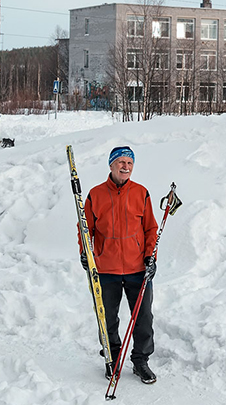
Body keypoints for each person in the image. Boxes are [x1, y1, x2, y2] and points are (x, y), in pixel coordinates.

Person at [79, 145, 159, 384]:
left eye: (130, 163)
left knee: (143, 317)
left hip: (137, 268)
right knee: (107, 318)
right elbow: (85, 229)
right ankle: (112, 358)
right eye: (121, 162)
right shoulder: (96, 194)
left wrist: (150, 257)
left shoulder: (141, 193)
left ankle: (140, 361)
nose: (126, 167)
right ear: (111, 165)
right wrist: (86, 253)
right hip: (105, 270)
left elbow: (150, 229)